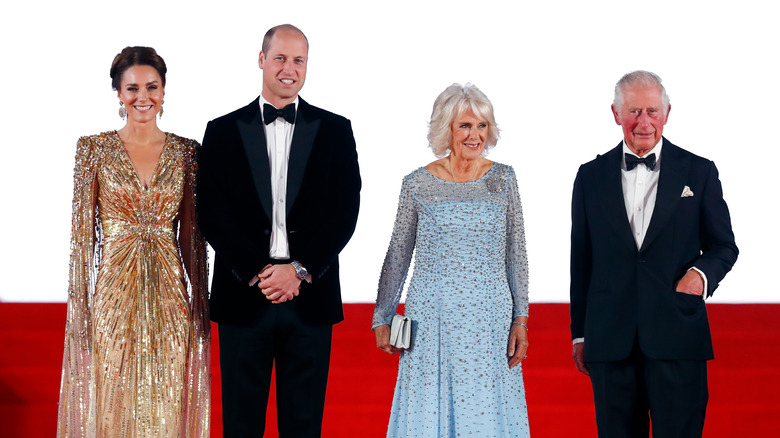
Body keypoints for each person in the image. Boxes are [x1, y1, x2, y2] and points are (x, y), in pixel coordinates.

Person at [197, 24, 361, 437]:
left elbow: (345, 210)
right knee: (240, 424)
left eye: (298, 60)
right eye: (281, 58)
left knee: (304, 426)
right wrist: (258, 270)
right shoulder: (221, 130)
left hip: (309, 297)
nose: (289, 69)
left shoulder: (336, 129)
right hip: (243, 296)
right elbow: (211, 211)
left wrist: (299, 270)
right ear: (261, 60)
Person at [569, 70, 738, 437]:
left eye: (651, 111)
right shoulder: (589, 176)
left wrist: (700, 277)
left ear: (667, 113)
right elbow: (581, 261)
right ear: (616, 114)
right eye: (633, 112)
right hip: (611, 340)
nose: (643, 122)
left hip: (678, 336)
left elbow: (724, 245)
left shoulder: (700, 171)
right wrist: (579, 334)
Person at [57, 46, 210, 437]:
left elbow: (193, 235)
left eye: (152, 86)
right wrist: (84, 307)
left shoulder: (187, 152)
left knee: (166, 396)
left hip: (170, 295)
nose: (143, 97)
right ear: (118, 93)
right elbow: (81, 242)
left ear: (164, 90)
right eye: (133, 88)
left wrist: (201, 301)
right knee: (114, 396)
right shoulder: (92, 150)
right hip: (113, 294)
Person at [373, 83, 530, 437]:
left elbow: (516, 253)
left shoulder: (503, 179)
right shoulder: (417, 184)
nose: (474, 136)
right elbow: (398, 252)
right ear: (446, 129)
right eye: (465, 126)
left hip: (489, 319)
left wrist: (521, 318)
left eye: (481, 126)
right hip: (431, 319)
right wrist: (382, 314)